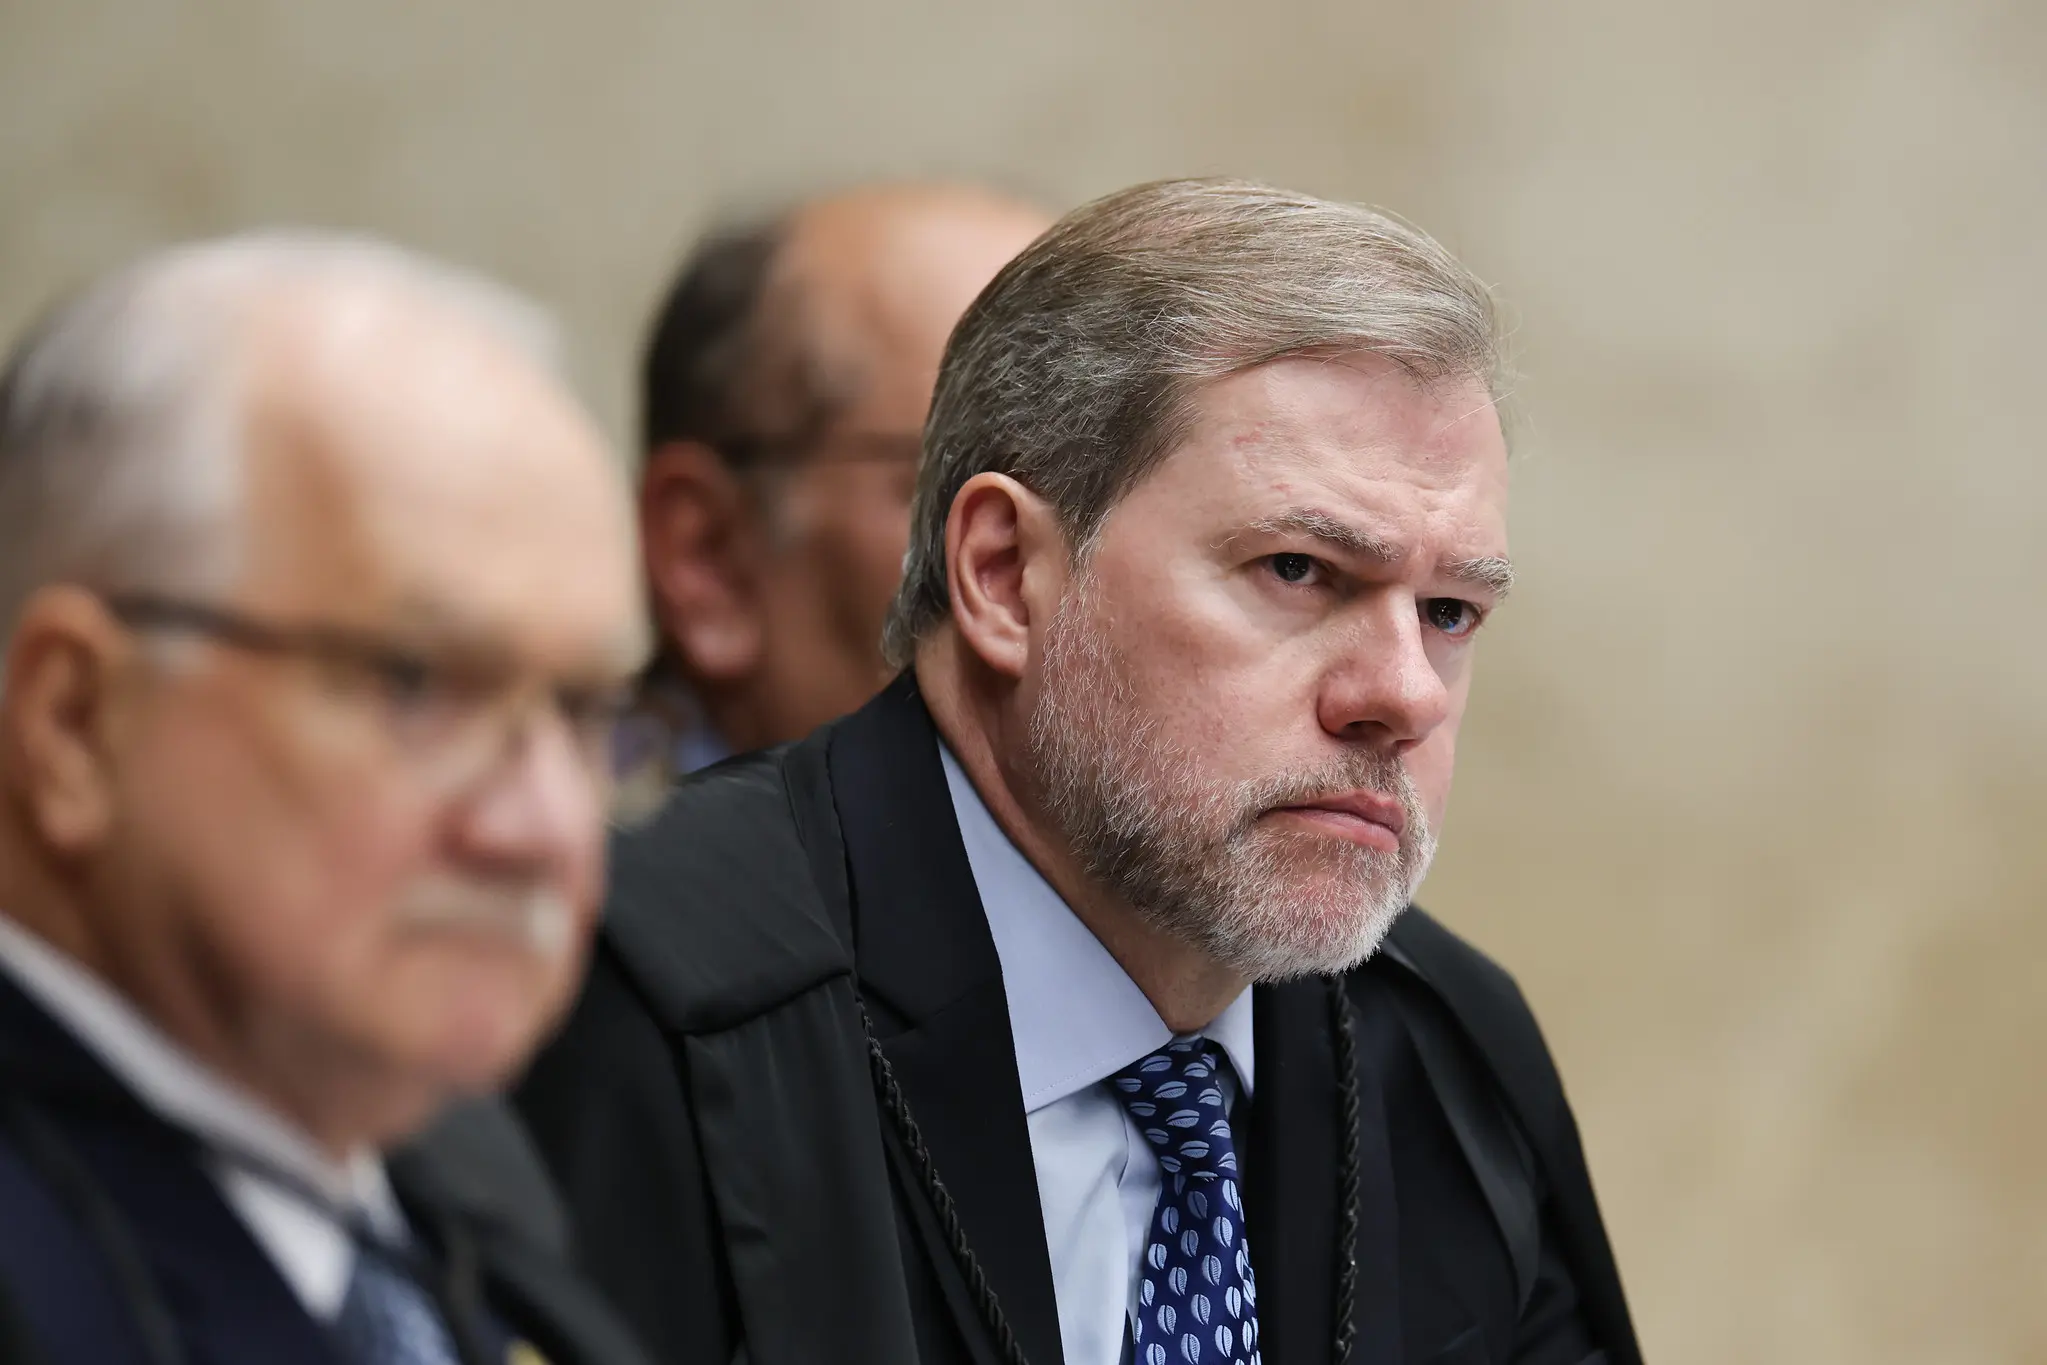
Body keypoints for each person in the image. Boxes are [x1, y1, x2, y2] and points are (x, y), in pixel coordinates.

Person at [516, 178, 1644, 1365]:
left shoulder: (1449, 1052)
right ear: (1003, 575)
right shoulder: (631, 1001)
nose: (1405, 696)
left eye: (1450, 611)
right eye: (1298, 571)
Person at [0, 234, 655, 1365]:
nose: (545, 827)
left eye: (587, 709)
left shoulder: (466, 1196)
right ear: (76, 720)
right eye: (416, 683)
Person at [616, 184, 1050, 807]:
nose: (1091, 567)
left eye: (1106, 487)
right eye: (976, 487)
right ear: (709, 557)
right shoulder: (549, 853)